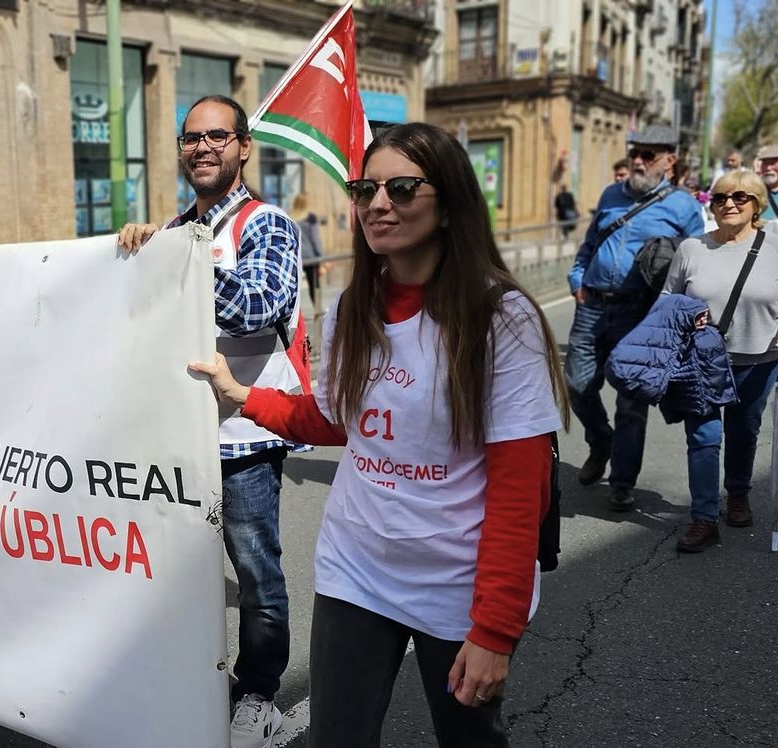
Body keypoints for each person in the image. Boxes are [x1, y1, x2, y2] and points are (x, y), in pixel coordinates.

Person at [190, 122, 565, 746]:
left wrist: (495, 631)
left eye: (403, 188)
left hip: (456, 586)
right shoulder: (348, 309)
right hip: (354, 570)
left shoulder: (501, 316)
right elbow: (336, 418)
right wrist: (244, 397)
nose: (378, 203)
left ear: (450, 203)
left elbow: (520, 487)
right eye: (366, 189)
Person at [116, 94, 303, 748]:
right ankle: (191, 681)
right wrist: (143, 254)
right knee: (177, 574)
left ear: (243, 147)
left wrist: (178, 261)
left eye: (217, 136)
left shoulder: (267, 223)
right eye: (191, 137)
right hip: (177, 440)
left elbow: (258, 305)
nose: (202, 147)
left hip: (245, 439)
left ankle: (257, 695)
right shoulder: (172, 234)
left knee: (255, 576)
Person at [662, 169, 778, 552]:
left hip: (758, 360)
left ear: (756, 205)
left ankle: (738, 493)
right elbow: (667, 299)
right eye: (720, 198)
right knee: (703, 438)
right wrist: (682, 318)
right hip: (701, 362)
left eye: (739, 197)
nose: (729, 204)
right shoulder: (691, 249)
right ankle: (703, 518)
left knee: (743, 432)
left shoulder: (776, 248)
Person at [567, 125, 708, 511]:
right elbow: (590, 243)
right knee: (576, 385)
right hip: (592, 303)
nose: (639, 161)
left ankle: (622, 482)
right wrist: (577, 278)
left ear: (669, 161)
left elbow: (696, 262)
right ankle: (601, 442)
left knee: (631, 401)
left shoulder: (683, 206)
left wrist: (683, 311)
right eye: (635, 154)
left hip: (640, 312)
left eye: (648, 155)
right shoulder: (611, 194)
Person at [290, 192, 324, 307]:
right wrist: (321, 257)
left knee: (294, 288)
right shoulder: (310, 218)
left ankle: (296, 313)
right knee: (314, 285)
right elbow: (315, 239)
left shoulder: (290, 218)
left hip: (295, 257)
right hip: (310, 257)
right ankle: (318, 309)